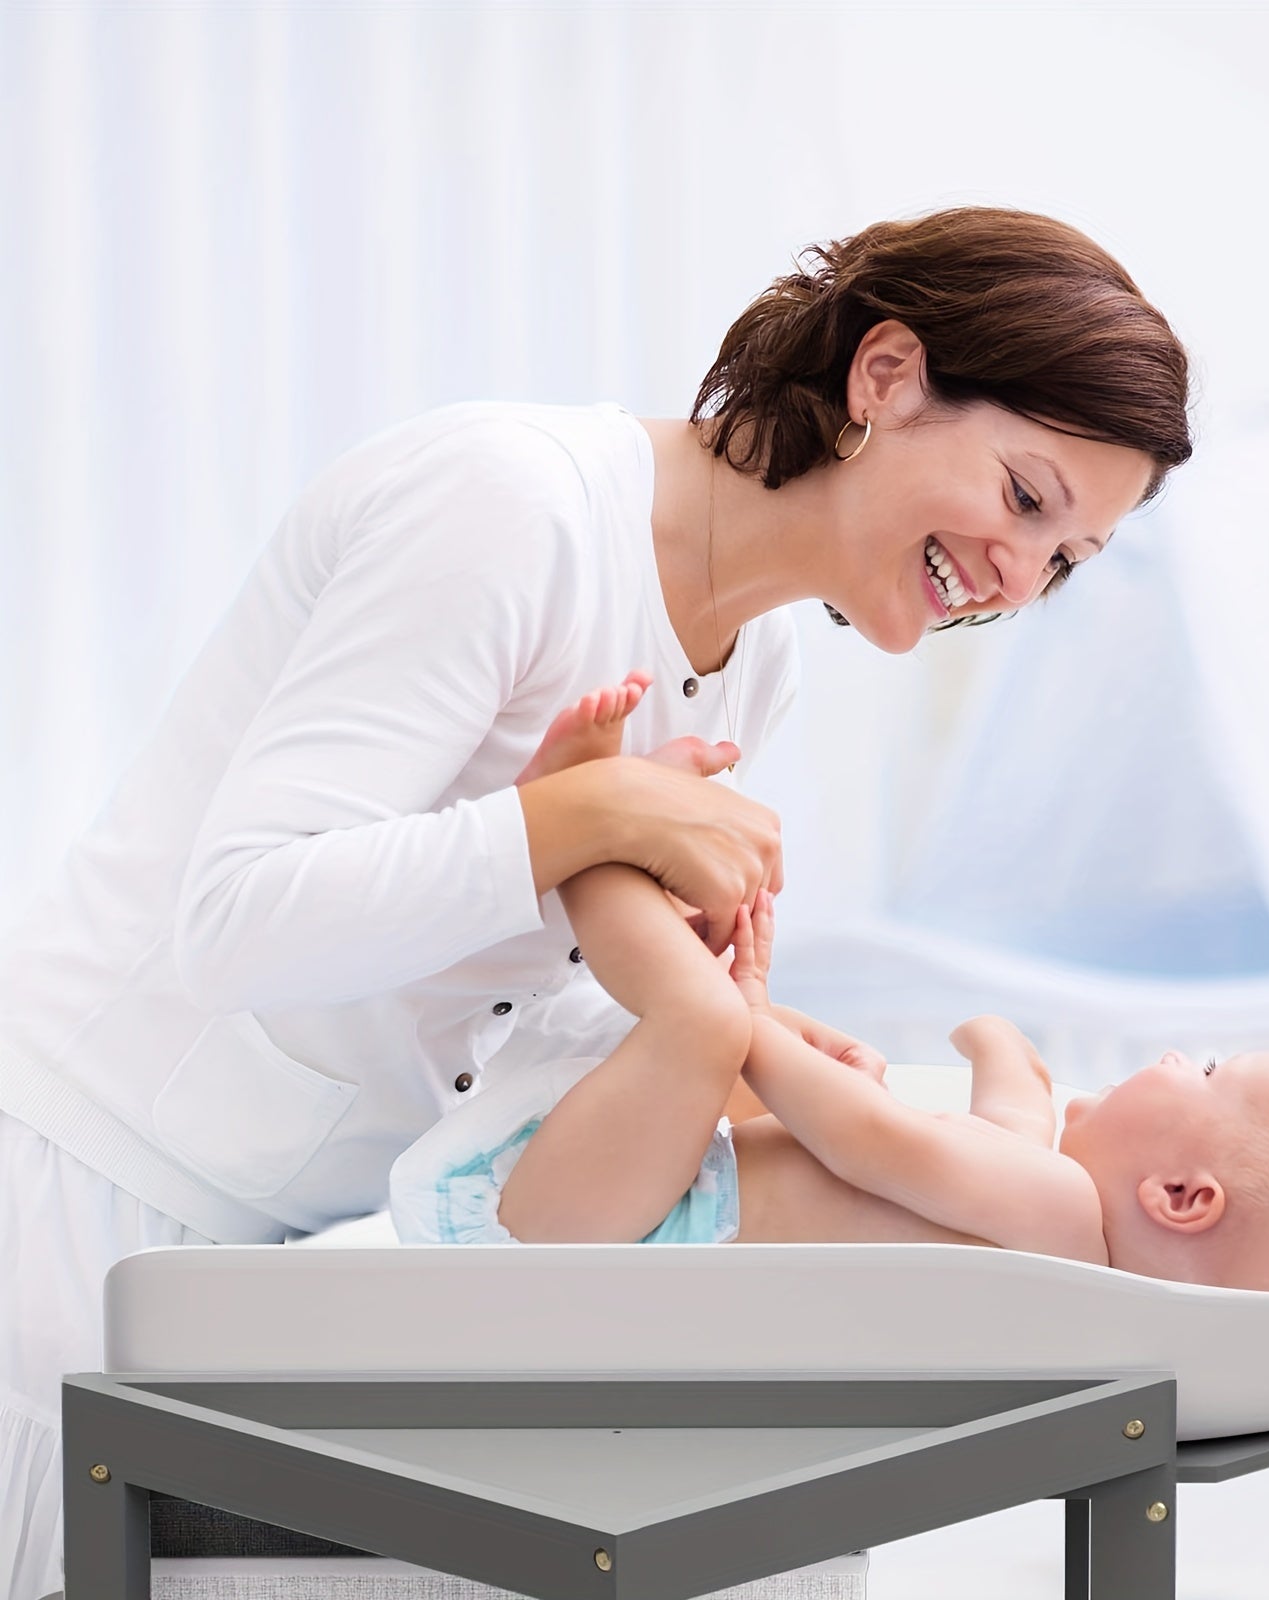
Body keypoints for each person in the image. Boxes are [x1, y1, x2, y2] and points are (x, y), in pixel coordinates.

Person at [0, 205, 1191, 1599]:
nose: (1018, 574)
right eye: (1028, 498)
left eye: (1065, 561)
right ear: (886, 377)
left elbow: (523, 990)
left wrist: (751, 1048)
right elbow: (239, 919)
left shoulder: (753, 669)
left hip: (268, 1256)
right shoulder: (512, 510)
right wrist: (581, 817)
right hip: (75, 1193)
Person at [391, 676, 1269, 1294]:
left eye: (1210, 1072)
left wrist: (753, 1020)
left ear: (1180, 1196)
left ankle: (583, 825)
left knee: (704, 1021)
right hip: (622, 1202)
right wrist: (994, 1047)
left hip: (583, 1229)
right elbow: (1005, 1120)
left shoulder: (1056, 1210)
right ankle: (602, 836)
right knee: (767, 1041)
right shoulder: (1049, 1218)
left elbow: (879, 1140)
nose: (1181, 1056)